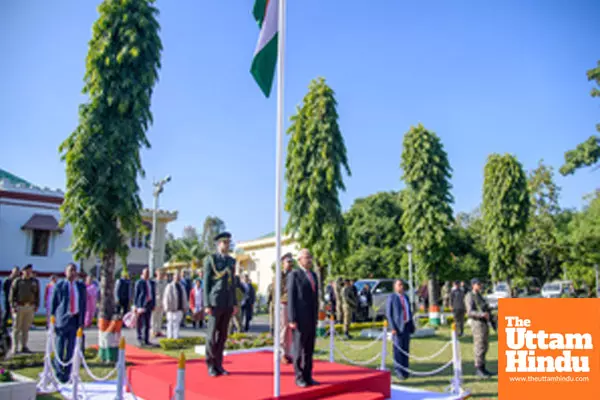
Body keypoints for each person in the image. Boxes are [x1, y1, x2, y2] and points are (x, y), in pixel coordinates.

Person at [203, 232, 238, 377]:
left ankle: (219, 364)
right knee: (212, 336)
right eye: (224, 242)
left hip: (228, 301)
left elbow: (233, 283)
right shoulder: (211, 259)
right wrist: (206, 303)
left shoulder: (231, 261)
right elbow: (206, 283)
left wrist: (235, 303)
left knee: (223, 335)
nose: (227, 245)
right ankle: (211, 364)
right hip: (215, 301)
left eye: (228, 243)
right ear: (218, 244)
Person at [287, 248, 319, 388]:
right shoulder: (294, 274)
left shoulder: (313, 275)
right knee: (299, 348)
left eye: (310, 257)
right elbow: (291, 298)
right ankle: (299, 376)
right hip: (299, 318)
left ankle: (308, 375)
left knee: (309, 349)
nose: (309, 259)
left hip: (311, 317)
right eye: (306, 257)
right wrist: (291, 318)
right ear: (299, 260)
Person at [51, 263, 86, 383]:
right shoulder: (60, 285)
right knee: (60, 349)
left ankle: (67, 374)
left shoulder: (81, 287)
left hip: (74, 320)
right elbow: (54, 303)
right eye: (70, 270)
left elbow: (83, 304)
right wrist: (52, 320)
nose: (73, 273)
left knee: (71, 349)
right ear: (65, 272)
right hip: (62, 321)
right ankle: (59, 373)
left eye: (74, 270)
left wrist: (82, 321)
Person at [386, 279, 414, 381]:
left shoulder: (405, 297)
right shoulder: (392, 297)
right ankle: (399, 372)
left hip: (406, 326)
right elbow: (389, 314)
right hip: (397, 328)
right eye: (399, 285)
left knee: (406, 350)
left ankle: (405, 371)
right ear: (395, 287)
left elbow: (409, 311)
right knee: (398, 350)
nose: (401, 287)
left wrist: (411, 324)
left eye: (402, 285)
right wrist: (393, 327)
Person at [465, 278, 493, 379]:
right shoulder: (469, 296)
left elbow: (484, 307)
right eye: (478, 284)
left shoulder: (479, 295)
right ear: (473, 285)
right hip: (477, 324)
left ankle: (483, 367)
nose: (480, 285)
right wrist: (481, 314)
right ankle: (478, 369)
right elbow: (469, 312)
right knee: (479, 345)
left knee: (485, 345)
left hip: (484, 323)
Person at [9, 264, 39, 356]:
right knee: (16, 328)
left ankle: (24, 346)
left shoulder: (34, 281)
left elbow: (37, 294)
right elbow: (12, 295)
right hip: (19, 306)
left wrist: (36, 305)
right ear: (23, 271)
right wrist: (13, 306)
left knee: (25, 328)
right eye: (27, 271)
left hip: (30, 306)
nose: (29, 273)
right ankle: (14, 347)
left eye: (30, 271)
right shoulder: (17, 281)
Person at [278, 253, 295, 364]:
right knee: (284, 328)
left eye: (291, 262)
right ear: (283, 263)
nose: (290, 264)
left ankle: (289, 352)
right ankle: (282, 353)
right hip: (283, 303)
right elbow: (278, 291)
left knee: (290, 329)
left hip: (293, 303)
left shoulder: (294, 274)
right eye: (287, 262)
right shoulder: (280, 275)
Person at [133, 268, 156, 347]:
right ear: (142, 274)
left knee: (147, 323)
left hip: (149, 304)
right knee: (140, 323)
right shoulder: (139, 282)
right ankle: (140, 338)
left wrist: (153, 304)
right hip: (141, 305)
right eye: (146, 273)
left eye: (148, 273)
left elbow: (153, 294)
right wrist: (135, 306)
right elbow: (136, 295)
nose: (147, 275)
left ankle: (146, 339)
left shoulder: (152, 283)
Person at [163, 272, 187, 339]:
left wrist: (185, 307)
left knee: (177, 324)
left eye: (178, 277)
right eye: (176, 277)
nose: (177, 278)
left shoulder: (181, 286)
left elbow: (184, 297)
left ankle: (176, 337)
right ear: (173, 278)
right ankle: (170, 337)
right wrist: (166, 307)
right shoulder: (169, 286)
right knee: (170, 323)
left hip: (179, 308)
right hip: (171, 308)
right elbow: (166, 297)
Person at [152, 270, 168, 337]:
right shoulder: (153, 282)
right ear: (156, 274)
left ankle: (159, 331)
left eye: (162, 274)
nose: (161, 275)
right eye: (159, 274)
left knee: (160, 317)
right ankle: (153, 331)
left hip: (162, 302)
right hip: (155, 302)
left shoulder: (165, 282)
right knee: (154, 317)